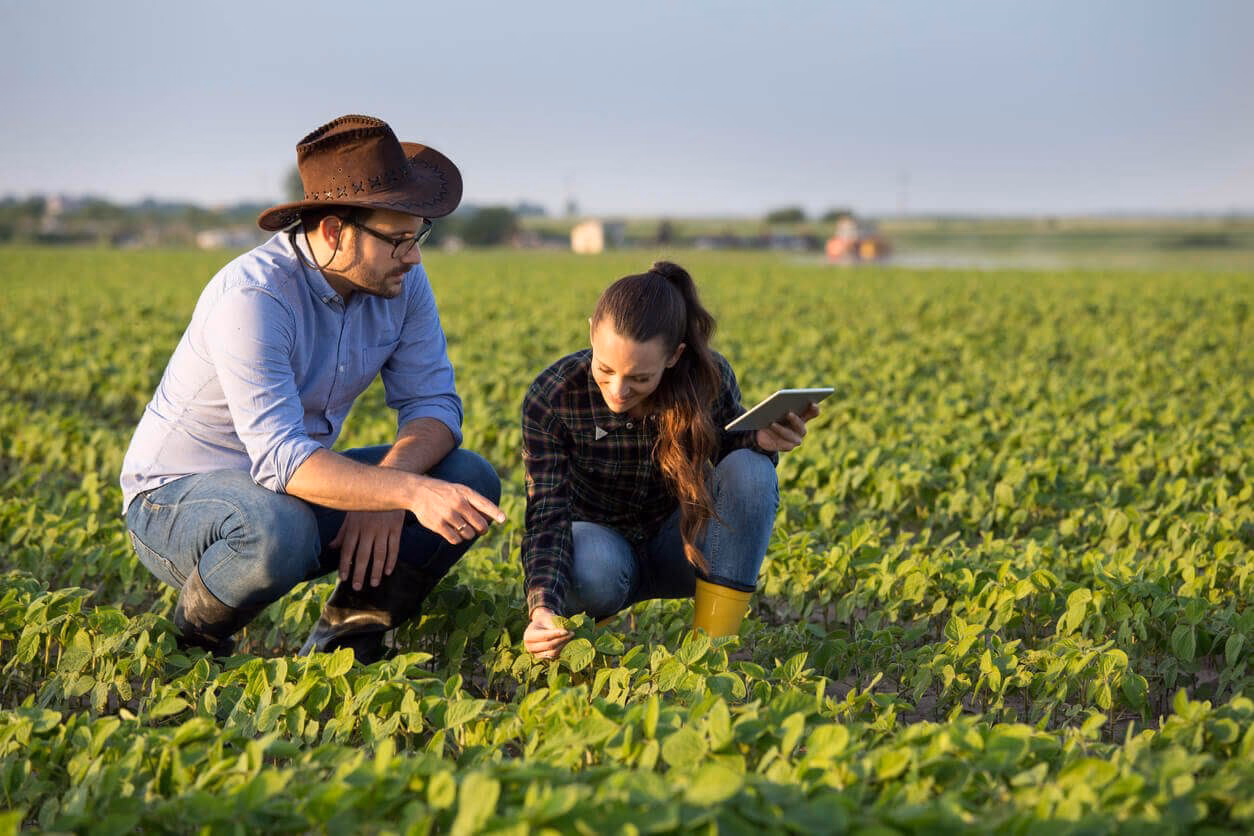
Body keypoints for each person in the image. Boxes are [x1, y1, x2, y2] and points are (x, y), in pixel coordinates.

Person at [119, 114, 504, 663]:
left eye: (418, 236)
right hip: (174, 500)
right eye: (397, 239)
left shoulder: (402, 280)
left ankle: (345, 646)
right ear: (332, 231)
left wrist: (390, 486)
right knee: (280, 528)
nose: (414, 255)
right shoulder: (254, 298)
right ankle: (189, 646)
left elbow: (435, 406)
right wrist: (403, 493)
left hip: (286, 488)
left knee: (469, 478)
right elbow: (281, 461)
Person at [520, 261, 819, 659]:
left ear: (674, 356)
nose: (619, 390)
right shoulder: (554, 395)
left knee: (751, 468)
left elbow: (735, 464)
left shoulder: (706, 377)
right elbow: (547, 513)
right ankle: (590, 651)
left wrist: (762, 440)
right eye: (605, 369)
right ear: (592, 331)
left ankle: (711, 654)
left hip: (679, 543)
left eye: (640, 378)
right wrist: (542, 607)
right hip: (601, 552)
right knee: (588, 562)